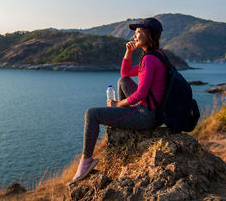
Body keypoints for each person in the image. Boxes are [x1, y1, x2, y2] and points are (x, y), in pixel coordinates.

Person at [71, 18, 168, 183]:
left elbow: (141, 94)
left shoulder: (149, 60)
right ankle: (121, 116)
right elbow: (125, 74)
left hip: (147, 115)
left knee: (92, 114)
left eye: (138, 32)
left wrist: (118, 104)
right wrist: (129, 52)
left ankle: (86, 161)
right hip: (154, 111)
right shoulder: (156, 55)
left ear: (149, 35)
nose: (134, 36)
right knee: (122, 82)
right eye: (135, 32)